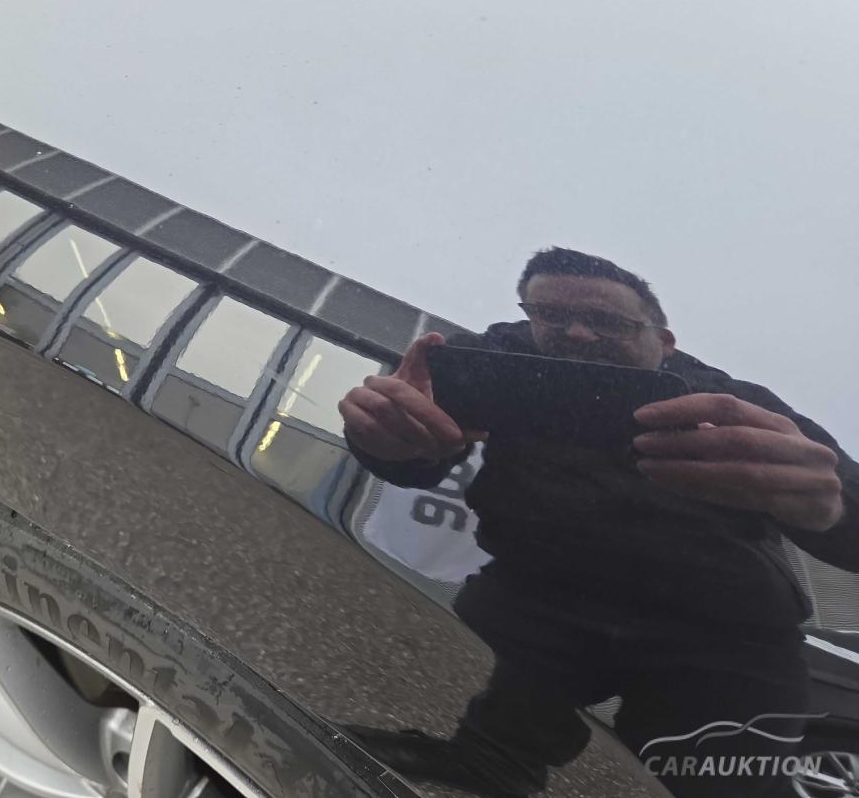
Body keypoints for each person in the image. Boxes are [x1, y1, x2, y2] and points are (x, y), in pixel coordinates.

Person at [339, 247, 859, 798]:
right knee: (485, 730)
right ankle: (486, 758)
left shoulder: (732, 402)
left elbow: (842, 498)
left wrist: (829, 508)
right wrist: (384, 438)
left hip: (725, 627)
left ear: (665, 341)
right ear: (527, 316)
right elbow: (421, 446)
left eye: (608, 321)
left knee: (731, 784)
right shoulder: (497, 363)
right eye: (552, 315)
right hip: (543, 594)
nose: (579, 333)